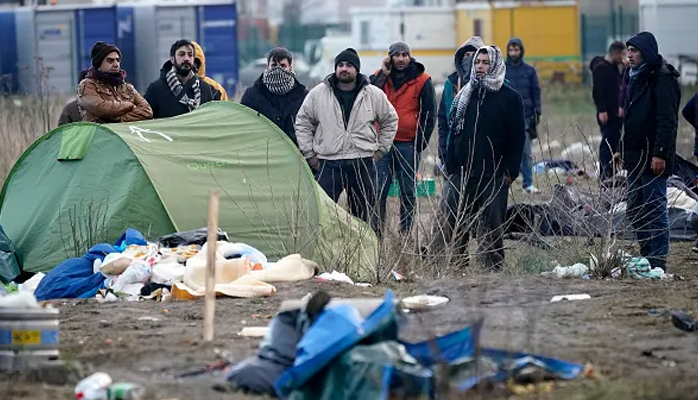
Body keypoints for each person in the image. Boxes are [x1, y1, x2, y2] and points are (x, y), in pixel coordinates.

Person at [441, 45, 525, 271]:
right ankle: (459, 266)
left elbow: (517, 137)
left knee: (492, 225)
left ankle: (493, 268)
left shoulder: (509, 97)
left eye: (485, 62)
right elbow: (454, 132)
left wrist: (510, 171)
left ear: (495, 65)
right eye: (478, 62)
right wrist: (450, 165)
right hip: (463, 171)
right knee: (459, 222)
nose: (480, 67)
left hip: (494, 173)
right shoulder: (465, 95)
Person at [295, 48, 398, 230]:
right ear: (335, 68)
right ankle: (325, 253)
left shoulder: (373, 94)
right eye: (340, 65)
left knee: (365, 217)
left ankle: (365, 254)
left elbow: (390, 119)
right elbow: (303, 122)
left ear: (356, 69)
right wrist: (310, 154)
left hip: (362, 163)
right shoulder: (319, 93)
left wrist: (380, 150)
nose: (344, 69)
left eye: (349, 65)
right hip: (329, 162)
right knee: (321, 215)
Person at [622, 31, 680, 272]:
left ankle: (657, 259)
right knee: (634, 207)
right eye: (628, 50)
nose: (629, 55)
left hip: (654, 155)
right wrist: (620, 149)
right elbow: (631, 117)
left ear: (646, 52)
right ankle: (647, 252)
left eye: (634, 50)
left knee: (655, 206)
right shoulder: (635, 76)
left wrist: (660, 153)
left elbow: (667, 120)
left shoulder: (662, 78)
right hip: (635, 155)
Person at [370, 41, 436, 236]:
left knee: (407, 193)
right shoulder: (379, 77)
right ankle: (376, 235)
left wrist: (419, 143)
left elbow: (429, 113)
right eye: (396, 55)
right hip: (383, 145)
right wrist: (383, 73)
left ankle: (405, 234)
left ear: (409, 57)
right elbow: (368, 94)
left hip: (408, 144)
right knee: (378, 192)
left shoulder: (423, 80)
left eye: (404, 55)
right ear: (390, 57)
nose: (401, 59)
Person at [240, 47, 308, 146]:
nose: (278, 69)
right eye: (274, 65)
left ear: (290, 67)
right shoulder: (252, 94)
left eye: (283, 66)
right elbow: (244, 125)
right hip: (263, 151)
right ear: (267, 67)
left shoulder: (303, 95)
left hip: (295, 153)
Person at [76, 42, 152, 123]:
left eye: (118, 60)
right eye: (110, 61)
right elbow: (100, 108)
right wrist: (129, 106)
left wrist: (120, 119)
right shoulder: (88, 85)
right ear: (99, 64)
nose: (116, 64)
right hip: (99, 134)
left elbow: (147, 111)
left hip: (124, 133)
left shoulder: (127, 88)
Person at [438, 36, 485, 167]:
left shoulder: (494, 85)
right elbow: (442, 120)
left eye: (473, 55)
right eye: (466, 55)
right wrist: (443, 151)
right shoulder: (451, 84)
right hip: (455, 151)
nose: (469, 59)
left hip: (484, 153)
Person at [145, 39, 220, 119]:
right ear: (172, 59)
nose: (186, 58)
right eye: (181, 54)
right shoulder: (156, 89)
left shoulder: (205, 89)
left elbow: (211, 120)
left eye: (190, 55)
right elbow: (145, 120)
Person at [505, 37, 541, 193]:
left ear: (521, 51)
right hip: (506, 116)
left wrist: (537, 111)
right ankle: (505, 182)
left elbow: (536, 92)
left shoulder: (529, 71)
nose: (513, 53)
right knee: (505, 150)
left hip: (525, 116)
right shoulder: (502, 70)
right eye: (511, 50)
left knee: (526, 151)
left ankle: (528, 183)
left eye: (516, 50)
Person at [590, 41, 627, 181]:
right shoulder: (601, 68)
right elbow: (597, 91)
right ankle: (605, 174)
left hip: (616, 111)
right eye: (622, 54)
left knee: (614, 142)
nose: (624, 58)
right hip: (607, 112)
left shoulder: (615, 68)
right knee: (607, 143)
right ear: (616, 54)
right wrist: (602, 110)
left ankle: (611, 172)